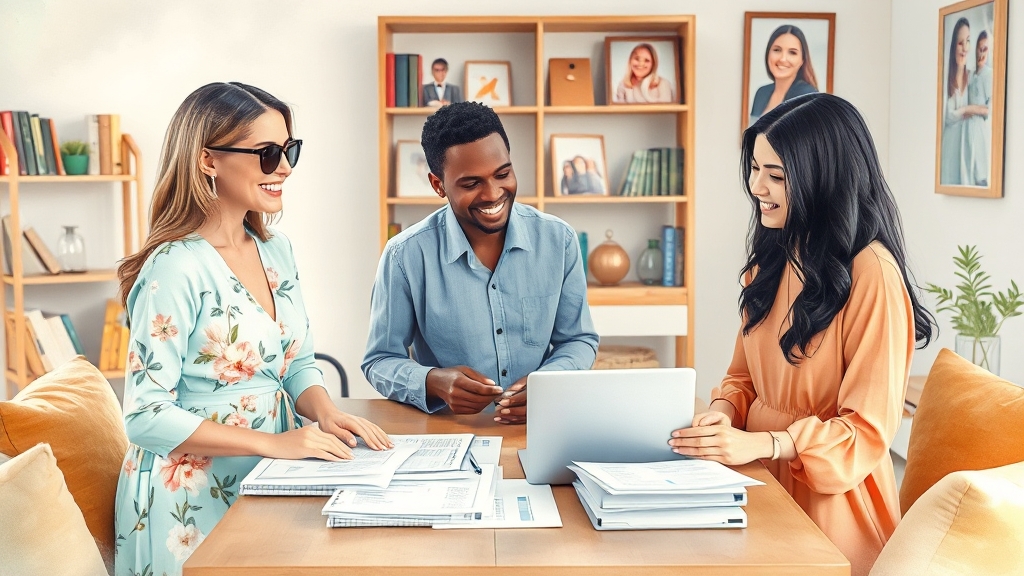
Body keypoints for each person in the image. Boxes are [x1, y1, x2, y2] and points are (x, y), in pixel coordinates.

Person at [113, 82, 392, 576]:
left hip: (269, 477)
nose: (284, 167)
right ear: (208, 160)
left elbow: (296, 362)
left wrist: (326, 412)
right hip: (189, 496)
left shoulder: (275, 249)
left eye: (288, 150)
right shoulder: (175, 268)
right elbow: (144, 415)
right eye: (266, 153)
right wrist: (273, 444)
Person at [667, 93, 935, 576]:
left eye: (776, 176)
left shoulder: (872, 273)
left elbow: (868, 431)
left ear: (822, 179)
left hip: (832, 502)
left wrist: (766, 445)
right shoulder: (770, 262)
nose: (757, 188)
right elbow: (741, 378)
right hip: (754, 481)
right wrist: (722, 416)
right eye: (754, 169)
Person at [362, 101, 599, 424]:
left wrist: (550, 382)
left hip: (541, 426)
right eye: (471, 184)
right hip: (448, 433)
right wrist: (433, 382)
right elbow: (379, 359)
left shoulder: (559, 241)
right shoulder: (405, 256)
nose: (493, 194)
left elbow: (578, 340)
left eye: (503, 174)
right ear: (438, 185)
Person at [940, 18, 990, 186]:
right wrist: (964, 111)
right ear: (954, 45)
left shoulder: (973, 78)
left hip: (965, 149)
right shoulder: (946, 79)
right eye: (960, 43)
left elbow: (986, 109)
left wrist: (967, 109)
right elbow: (948, 115)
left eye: (968, 41)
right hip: (949, 149)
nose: (964, 48)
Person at [749, 25, 819, 127]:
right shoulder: (761, 93)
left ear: (802, 60)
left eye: (792, 52)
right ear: (768, 53)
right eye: (777, 50)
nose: (783, 59)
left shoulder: (807, 96)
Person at [965, 29, 993, 186]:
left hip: (980, 129)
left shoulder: (989, 75)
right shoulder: (972, 75)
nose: (981, 53)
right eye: (979, 48)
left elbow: (989, 109)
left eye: (985, 49)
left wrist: (968, 109)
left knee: (980, 170)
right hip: (969, 129)